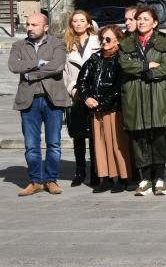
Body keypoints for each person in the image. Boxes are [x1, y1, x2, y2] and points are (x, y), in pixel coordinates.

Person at [8, 13, 72, 196]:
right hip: (28, 101)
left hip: (53, 100)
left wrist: (31, 73)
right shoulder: (18, 45)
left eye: (34, 24)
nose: (29, 27)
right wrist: (40, 62)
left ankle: (51, 180)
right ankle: (36, 181)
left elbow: (58, 66)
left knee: (54, 143)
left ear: (45, 27)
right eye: (28, 24)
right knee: (31, 144)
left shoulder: (57, 44)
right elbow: (14, 66)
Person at [118, 6, 166, 197]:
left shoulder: (162, 42)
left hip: (158, 97)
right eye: (138, 18)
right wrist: (146, 65)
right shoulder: (126, 43)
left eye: (145, 18)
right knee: (139, 138)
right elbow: (125, 65)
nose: (141, 22)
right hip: (135, 97)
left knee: (158, 137)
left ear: (155, 22)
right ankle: (145, 178)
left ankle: (159, 178)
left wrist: (147, 72)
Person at [75, 26, 132, 193]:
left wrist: (103, 102)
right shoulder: (94, 59)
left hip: (113, 108)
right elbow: (82, 81)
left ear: (118, 40)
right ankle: (105, 178)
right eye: (102, 39)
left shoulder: (122, 59)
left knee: (117, 144)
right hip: (95, 109)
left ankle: (122, 178)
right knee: (100, 146)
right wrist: (86, 98)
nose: (104, 42)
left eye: (108, 39)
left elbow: (119, 85)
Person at [63, 10, 100, 187]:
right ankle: (79, 171)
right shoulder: (67, 44)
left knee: (94, 136)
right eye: (74, 21)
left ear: (88, 24)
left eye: (81, 21)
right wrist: (72, 88)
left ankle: (95, 171)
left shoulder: (97, 41)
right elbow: (64, 71)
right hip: (76, 95)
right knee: (78, 136)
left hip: (93, 95)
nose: (77, 24)